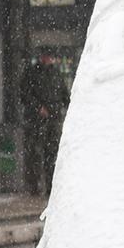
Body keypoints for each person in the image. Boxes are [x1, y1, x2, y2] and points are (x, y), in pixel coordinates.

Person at [19, 56, 71, 195]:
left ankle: (50, 187)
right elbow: (25, 95)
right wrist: (38, 108)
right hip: (36, 121)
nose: (51, 60)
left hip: (53, 119)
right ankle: (34, 187)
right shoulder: (32, 73)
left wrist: (69, 108)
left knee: (51, 153)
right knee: (35, 152)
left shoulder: (55, 74)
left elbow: (64, 95)